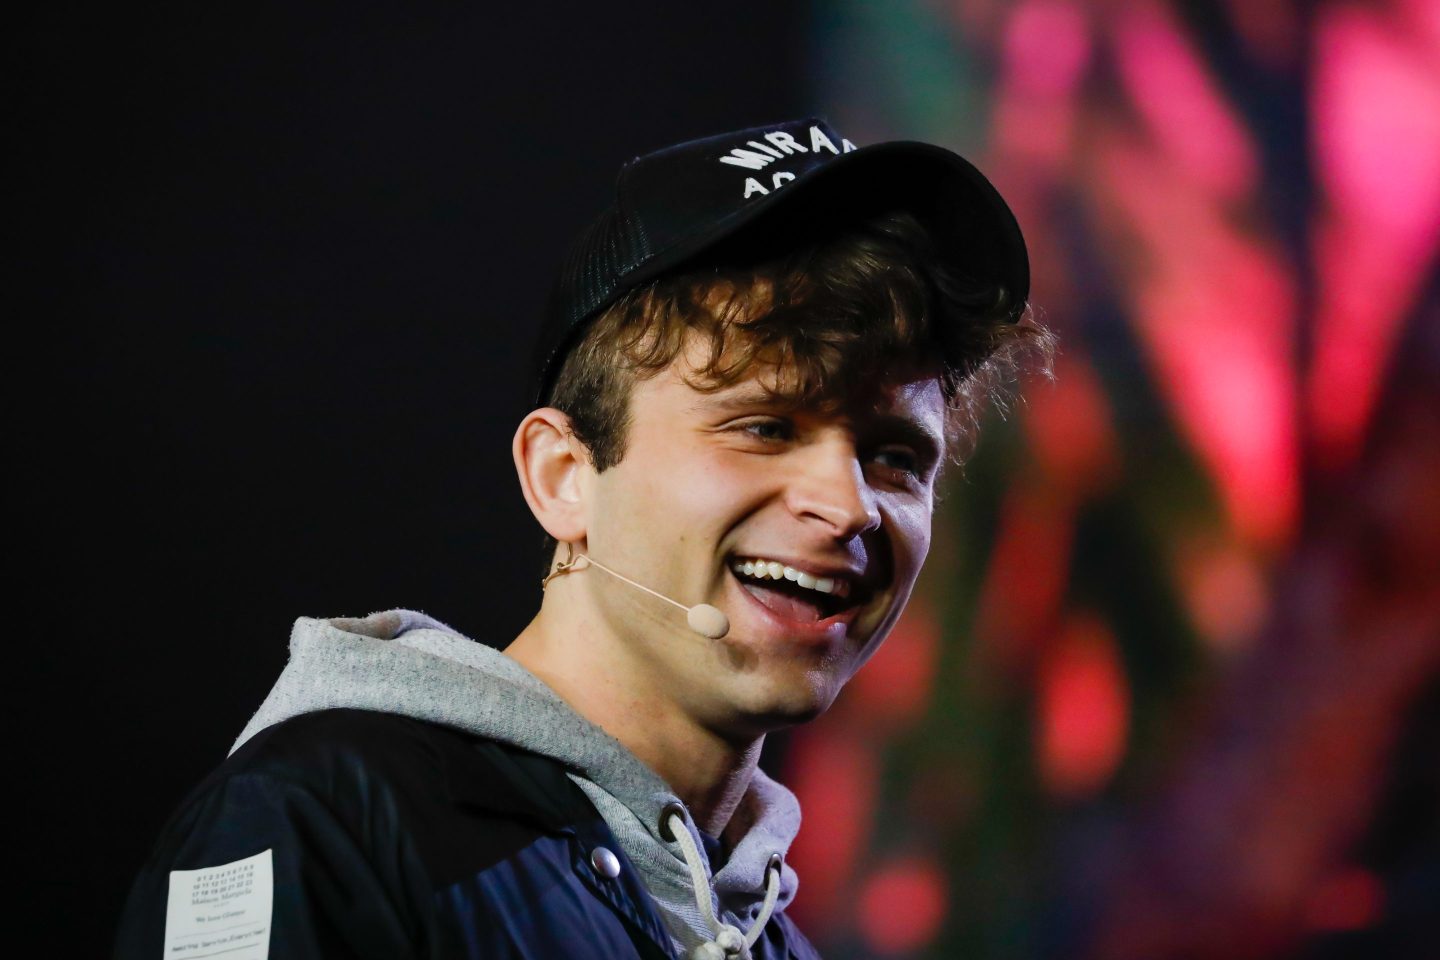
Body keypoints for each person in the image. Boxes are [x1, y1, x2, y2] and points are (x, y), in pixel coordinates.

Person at [114, 118, 1046, 960]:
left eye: (895, 457)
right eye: (765, 426)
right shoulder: (317, 825)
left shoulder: (774, 941)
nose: (849, 507)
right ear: (563, 476)